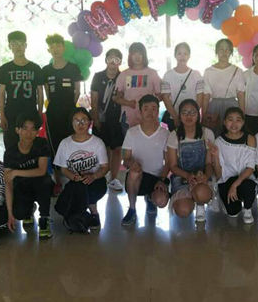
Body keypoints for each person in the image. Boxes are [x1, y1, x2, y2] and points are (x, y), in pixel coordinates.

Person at [54, 108, 109, 232]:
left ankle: (93, 212)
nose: (80, 124)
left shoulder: (97, 142)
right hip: (76, 182)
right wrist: (73, 176)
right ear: (71, 123)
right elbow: (63, 169)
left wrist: (93, 176)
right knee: (75, 190)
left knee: (85, 191)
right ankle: (79, 216)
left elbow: (105, 167)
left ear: (90, 122)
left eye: (84, 120)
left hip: (96, 181)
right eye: (77, 120)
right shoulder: (65, 143)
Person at [120, 94, 170, 226]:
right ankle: (132, 209)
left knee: (161, 201)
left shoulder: (165, 134)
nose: (150, 112)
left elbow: (168, 162)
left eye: (154, 108)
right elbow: (125, 159)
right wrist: (132, 163)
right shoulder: (132, 132)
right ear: (140, 112)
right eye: (146, 108)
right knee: (134, 172)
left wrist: (162, 180)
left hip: (156, 177)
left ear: (158, 111)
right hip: (137, 177)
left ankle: (151, 199)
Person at [4, 113, 53, 239]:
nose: (29, 133)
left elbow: (41, 171)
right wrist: (10, 213)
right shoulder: (10, 152)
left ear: (37, 131)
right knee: (19, 214)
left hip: (40, 183)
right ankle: (29, 210)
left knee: (46, 182)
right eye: (25, 128)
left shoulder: (41, 143)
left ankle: (44, 218)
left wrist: (16, 172)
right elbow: (8, 182)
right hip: (22, 186)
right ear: (17, 130)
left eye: (33, 129)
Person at [166, 99, 214, 222]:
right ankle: (190, 200)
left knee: (202, 193)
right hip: (182, 176)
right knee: (183, 210)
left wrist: (205, 176)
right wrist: (187, 176)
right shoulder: (174, 135)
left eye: (192, 112)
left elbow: (209, 163)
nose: (189, 116)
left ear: (198, 115)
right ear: (179, 115)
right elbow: (173, 166)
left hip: (201, 176)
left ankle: (200, 204)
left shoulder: (207, 133)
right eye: (185, 112)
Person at [0, 31, 44, 150]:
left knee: (30, 144)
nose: (18, 47)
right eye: (14, 44)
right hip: (11, 113)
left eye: (21, 44)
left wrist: (39, 112)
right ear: (10, 46)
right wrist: (2, 115)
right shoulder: (4, 69)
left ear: (26, 45)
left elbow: (40, 92)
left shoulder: (35, 68)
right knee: (11, 144)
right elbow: (1, 94)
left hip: (30, 112)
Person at [211, 107, 257, 224]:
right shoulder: (219, 141)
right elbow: (218, 174)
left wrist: (235, 185)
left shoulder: (250, 139)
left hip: (245, 178)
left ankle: (247, 208)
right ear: (224, 122)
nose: (234, 124)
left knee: (248, 187)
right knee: (232, 212)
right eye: (230, 119)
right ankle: (232, 202)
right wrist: (215, 156)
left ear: (243, 122)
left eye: (238, 120)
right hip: (227, 179)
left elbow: (250, 168)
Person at [42, 34, 82, 157]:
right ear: (48, 50)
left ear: (63, 48)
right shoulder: (46, 70)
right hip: (53, 112)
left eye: (58, 46)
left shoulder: (73, 68)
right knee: (54, 142)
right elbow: (47, 92)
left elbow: (77, 91)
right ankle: (57, 168)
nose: (55, 49)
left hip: (70, 111)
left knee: (71, 141)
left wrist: (70, 106)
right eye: (52, 47)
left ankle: (71, 167)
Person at [90, 49, 125, 192]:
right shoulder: (98, 76)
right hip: (101, 118)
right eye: (110, 58)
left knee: (117, 149)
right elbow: (94, 100)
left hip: (118, 118)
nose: (113, 62)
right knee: (103, 148)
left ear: (120, 62)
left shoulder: (123, 77)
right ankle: (102, 175)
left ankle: (114, 178)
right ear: (106, 60)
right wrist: (96, 119)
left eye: (117, 59)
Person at [114, 42, 162, 135]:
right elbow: (116, 98)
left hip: (149, 117)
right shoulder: (124, 74)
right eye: (134, 54)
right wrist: (128, 103)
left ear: (144, 55)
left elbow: (160, 96)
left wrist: (148, 105)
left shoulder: (152, 73)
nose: (137, 57)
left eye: (140, 54)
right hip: (129, 118)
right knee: (130, 143)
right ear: (130, 56)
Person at [202, 39, 246, 137]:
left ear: (231, 52)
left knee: (232, 134)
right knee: (213, 134)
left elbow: (241, 95)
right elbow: (206, 95)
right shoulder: (208, 71)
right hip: (214, 107)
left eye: (227, 50)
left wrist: (242, 115)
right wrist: (203, 115)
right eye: (221, 49)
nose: (224, 52)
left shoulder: (237, 71)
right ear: (216, 51)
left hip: (232, 107)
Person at [161, 43, 204, 131]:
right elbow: (165, 97)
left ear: (189, 56)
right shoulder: (168, 75)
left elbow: (200, 96)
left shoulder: (196, 74)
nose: (182, 56)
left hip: (192, 118)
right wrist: (175, 117)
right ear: (175, 55)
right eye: (179, 53)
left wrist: (193, 115)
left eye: (185, 54)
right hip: (174, 117)